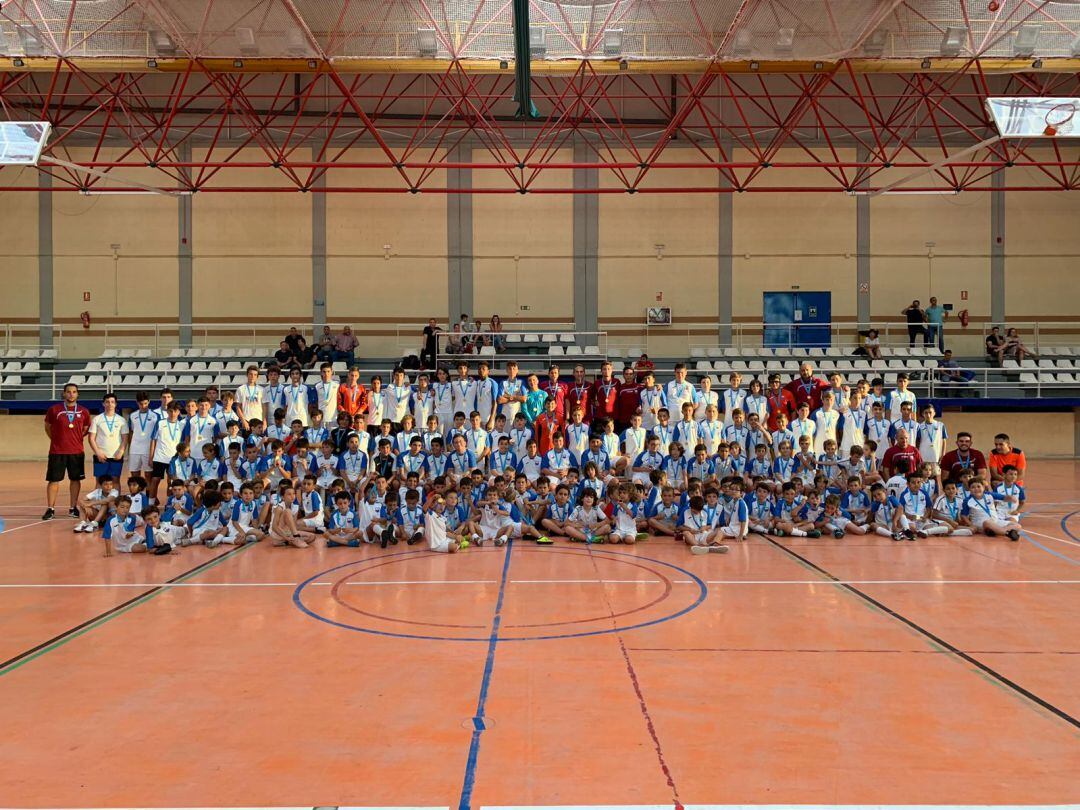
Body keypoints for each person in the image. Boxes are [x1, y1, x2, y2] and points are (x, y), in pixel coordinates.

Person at [42, 383, 92, 521]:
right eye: (68, 392)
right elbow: (48, 427)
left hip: (76, 451)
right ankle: (50, 509)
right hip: (57, 451)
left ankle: (73, 508)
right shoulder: (54, 410)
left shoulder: (84, 411)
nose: (71, 394)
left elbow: (86, 427)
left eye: (74, 392)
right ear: (64, 393)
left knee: (75, 479)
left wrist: (75, 439)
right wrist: (57, 439)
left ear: (78, 394)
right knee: (53, 480)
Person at [88, 393, 129, 485]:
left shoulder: (121, 420)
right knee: (100, 482)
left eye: (112, 402)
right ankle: (100, 500)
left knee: (115, 481)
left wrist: (121, 451)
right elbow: (91, 438)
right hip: (101, 455)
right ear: (103, 404)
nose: (110, 404)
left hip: (116, 455)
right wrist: (98, 452)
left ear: (116, 404)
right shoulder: (97, 419)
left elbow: (125, 438)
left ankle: (115, 500)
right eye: (107, 402)